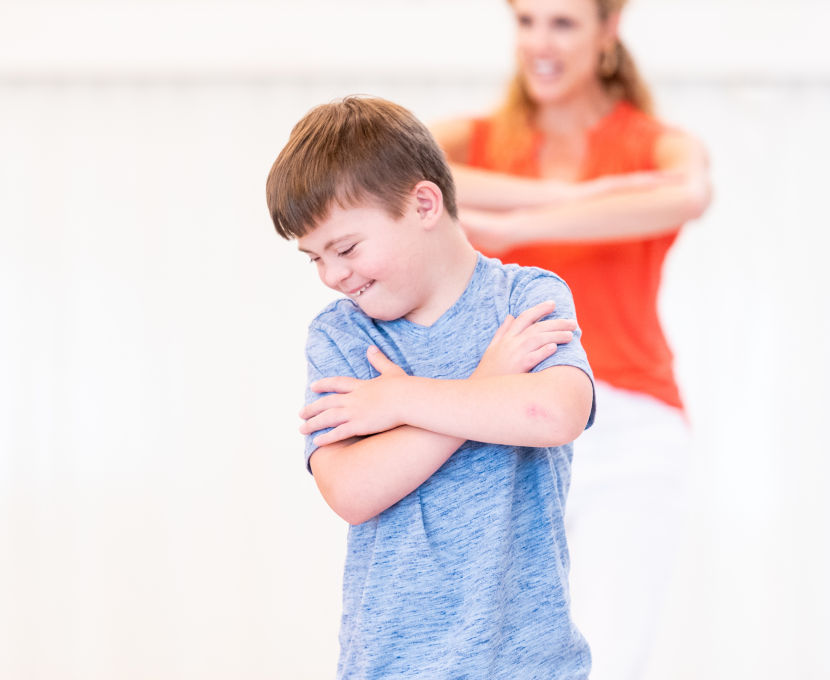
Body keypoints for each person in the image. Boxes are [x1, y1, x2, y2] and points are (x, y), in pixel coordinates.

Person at [266, 95, 597, 679]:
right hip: (392, 665)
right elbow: (351, 489)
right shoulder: (340, 337)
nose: (333, 276)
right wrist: (486, 387)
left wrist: (396, 400)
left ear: (423, 203)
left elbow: (554, 414)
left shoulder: (525, 298)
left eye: (345, 248)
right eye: (314, 258)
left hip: (530, 664)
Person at [431, 1, 712, 678]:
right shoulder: (470, 136)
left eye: (563, 23)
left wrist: (512, 218)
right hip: (502, 422)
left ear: (608, 29)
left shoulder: (655, 144)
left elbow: (689, 192)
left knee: (608, 657)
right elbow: (397, 176)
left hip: (630, 426)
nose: (539, 43)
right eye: (526, 21)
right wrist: (594, 197)